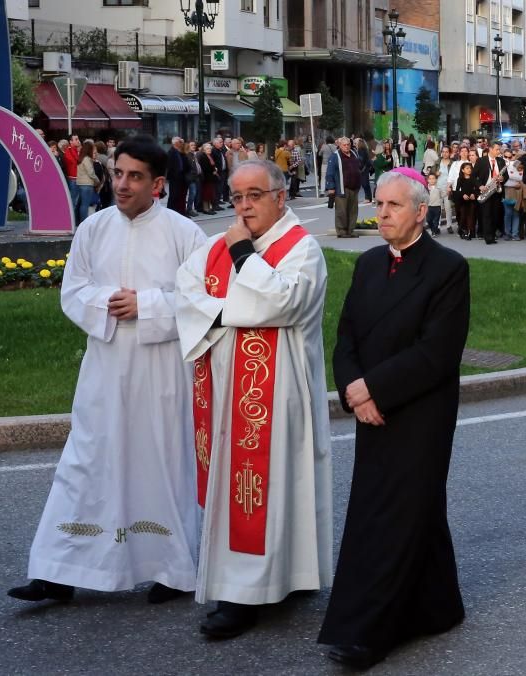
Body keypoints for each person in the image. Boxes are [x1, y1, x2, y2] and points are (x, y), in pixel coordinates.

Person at [7, 135, 205, 607]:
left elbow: (203, 300)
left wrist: (149, 305)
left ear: (158, 184)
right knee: (85, 462)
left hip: (161, 374)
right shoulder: (93, 229)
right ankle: (58, 570)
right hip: (105, 366)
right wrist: (108, 304)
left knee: (159, 464)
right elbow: (73, 292)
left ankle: (171, 569)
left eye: (135, 177)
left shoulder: (185, 234)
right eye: (118, 173)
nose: (122, 184)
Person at [174, 159, 334, 638]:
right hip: (224, 391)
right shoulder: (214, 247)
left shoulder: (301, 249)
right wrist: (235, 313)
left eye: (254, 196)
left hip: (277, 396)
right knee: (241, 492)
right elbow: (185, 292)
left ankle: (247, 594)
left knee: (271, 489)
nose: (243, 207)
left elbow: (279, 303)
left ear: (280, 197)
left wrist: (243, 257)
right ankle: (258, 582)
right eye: (237, 196)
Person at [318, 168, 470, 670]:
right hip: (371, 409)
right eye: (378, 205)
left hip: (420, 410)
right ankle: (438, 605)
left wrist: (373, 387)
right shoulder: (366, 265)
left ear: (420, 212)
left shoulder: (448, 268)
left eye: (392, 206)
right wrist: (352, 389)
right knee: (402, 508)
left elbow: (437, 353)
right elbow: (346, 338)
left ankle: (370, 630)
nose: (380, 213)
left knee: (396, 513)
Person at [326, 137, 362, 238]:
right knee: (341, 211)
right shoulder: (335, 156)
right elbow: (330, 173)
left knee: (353, 210)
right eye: (344, 145)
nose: (346, 147)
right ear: (340, 146)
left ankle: (351, 230)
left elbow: (359, 166)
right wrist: (331, 187)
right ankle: (342, 231)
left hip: (354, 187)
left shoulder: (354, 154)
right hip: (341, 188)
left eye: (348, 145)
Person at [472, 141, 506, 244]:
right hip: (486, 190)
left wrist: (502, 178)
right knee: (487, 215)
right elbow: (473, 176)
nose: (499, 151)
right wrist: (480, 186)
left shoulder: (501, 161)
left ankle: (492, 234)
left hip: (497, 191)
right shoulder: (481, 161)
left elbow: (506, 175)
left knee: (495, 214)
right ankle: (488, 237)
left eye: (499, 149)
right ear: (490, 149)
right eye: (497, 149)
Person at [75, 140, 103, 221]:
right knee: (85, 205)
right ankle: (84, 222)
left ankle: (80, 221)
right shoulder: (87, 159)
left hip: (81, 184)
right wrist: (97, 181)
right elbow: (91, 172)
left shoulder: (81, 158)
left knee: (81, 205)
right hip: (87, 184)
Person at [452, 160, 479, 239]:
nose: (469, 169)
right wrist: (462, 194)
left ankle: (470, 232)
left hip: (471, 200)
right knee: (463, 215)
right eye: (467, 168)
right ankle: (463, 231)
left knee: (471, 216)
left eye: (470, 168)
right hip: (463, 200)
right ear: (463, 170)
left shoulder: (473, 178)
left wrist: (473, 194)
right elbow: (457, 190)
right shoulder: (460, 179)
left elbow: (476, 188)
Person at [166, 136, 189, 216]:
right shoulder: (171, 152)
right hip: (174, 178)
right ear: (176, 143)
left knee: (178, 196)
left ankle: (176, 212)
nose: (181, 143)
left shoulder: (177, 152)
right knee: (173, 196)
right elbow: (169, 166)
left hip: (180, 178)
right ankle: (169, 212)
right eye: (180, 142)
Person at [425, 172, 443, 236]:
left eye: (433, 178)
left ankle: (434, 231)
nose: (432, 180)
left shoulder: (439, 188)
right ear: (427, 180)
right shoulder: (426, 189)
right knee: (429, 220)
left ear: (436, 179)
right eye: (430, 179)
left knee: (436, 221)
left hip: (437, 206)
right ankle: (433, 229)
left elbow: (442, 195)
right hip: (429, 206)